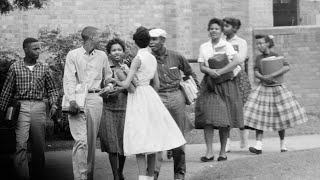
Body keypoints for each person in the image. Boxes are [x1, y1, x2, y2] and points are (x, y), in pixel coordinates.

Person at [109, 26, 186, 180]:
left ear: (135, 41)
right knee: (152, 140)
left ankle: (143, 177)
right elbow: (156, 85)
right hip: (151, 96)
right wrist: (150, 99)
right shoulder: (151, 58)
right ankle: (150, 177)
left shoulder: (137, 59)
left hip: (138, 98)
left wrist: (113, 79)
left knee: (139, 140)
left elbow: (125, 85)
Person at [0, 37, 59, 180]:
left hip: (39, 106)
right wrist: (2, 112)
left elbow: (52, 89)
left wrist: (54, 104)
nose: (38, 51)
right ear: (25, 49)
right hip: (21, 106)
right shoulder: (15, 67)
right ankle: (23, 175)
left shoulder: (44, 67)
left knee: (38, 146)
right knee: (21, 144)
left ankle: (38, 174)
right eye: (35, 48)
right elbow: (7, 91)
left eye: (39, 48)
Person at [63, 26, 113, 180]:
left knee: (90, 143)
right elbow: (69, 78)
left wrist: (109, 87)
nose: (101, 39)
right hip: (76, 100)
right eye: (99, 36)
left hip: (95, 99)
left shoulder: (102, 55)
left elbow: (108, 77)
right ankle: (80, 177)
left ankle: (88, 176)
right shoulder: (73, 55)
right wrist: (71, 100)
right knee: (81, 141)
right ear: (91, 37)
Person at [244, 34, 308, 154]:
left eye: (261, 43)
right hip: (264, 89)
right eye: (257, 44)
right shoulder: (258, 58)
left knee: (281, 117)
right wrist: (263, 77)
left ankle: (283, 145)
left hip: (277, 89)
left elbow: (287, 67)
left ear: (268, 43)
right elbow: (256, 71)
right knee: (260, 116)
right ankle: (258, 145)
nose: (258, 46)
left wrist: (272, 75)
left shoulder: (276, 55)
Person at [148, 28, 198, 180]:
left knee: (178, 138)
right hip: (157, 97)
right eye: (149, 39)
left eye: (154, 39)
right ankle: (153, 174)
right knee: (156, 139)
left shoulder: (176, 56)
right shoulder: (148, 58)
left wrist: (194, 92)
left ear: (163, 40)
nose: (151, 42)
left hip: (176, 97)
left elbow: (190, 72)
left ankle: (179, 173)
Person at [195, 17, 244, 162]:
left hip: (226, 84)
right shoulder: (204, 46)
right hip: (210, 84)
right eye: (211, 28)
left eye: (216, 29)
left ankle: (222, 152)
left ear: (222, 31)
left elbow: (236, 61)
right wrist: (209, 71)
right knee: (208, 118)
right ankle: (209, 152)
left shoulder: (227, 45)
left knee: (225, 119)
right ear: (208, 31)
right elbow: (201, 65)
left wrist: (221, 71)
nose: (213, 31)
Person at [99, 38, 129, 180]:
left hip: (125, 109)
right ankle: (115, 176)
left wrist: (121, 89)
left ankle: (120, 172)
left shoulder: (127, 67)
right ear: (109, 53)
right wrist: (107, 91)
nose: (117, 52)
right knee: (112, 145)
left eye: (119, 49)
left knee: (123, 145)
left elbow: (134, 88)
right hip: (109, 109)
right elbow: (100, 87)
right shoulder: (105, 69)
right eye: (113, 50)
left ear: (123, 52)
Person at [223, 17, 252, 151]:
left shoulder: (241, 42)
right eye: (223, 26)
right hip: (224, 77)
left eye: (227, 26)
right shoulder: (220, 41)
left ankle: (244, 138)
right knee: (226, 108)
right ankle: (226, 141)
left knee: (242, 107)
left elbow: (240, 58)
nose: (224, 28)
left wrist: (226, 60)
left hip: (238, 76)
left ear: (234, 28)